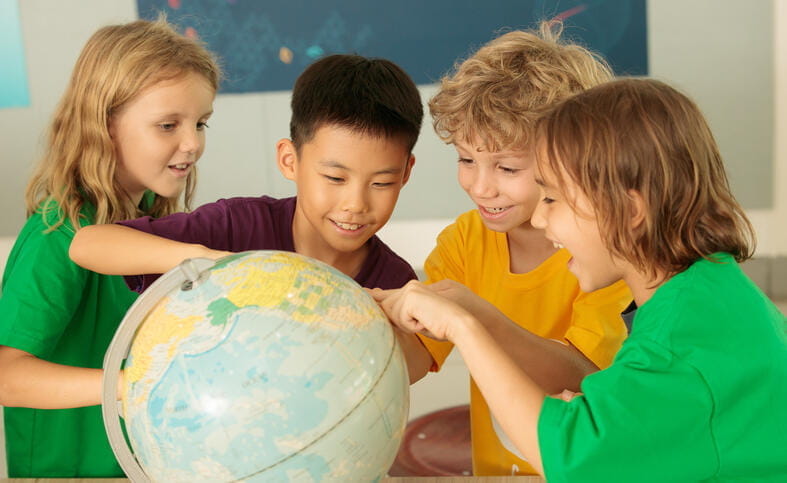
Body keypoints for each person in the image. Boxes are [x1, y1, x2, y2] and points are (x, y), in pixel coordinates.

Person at [374, 78, 787, 481]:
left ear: (629, 210)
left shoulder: (677, 346)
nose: (539, 217)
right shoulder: (703, 293)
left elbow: (568, 455)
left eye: (553, 198)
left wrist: (464, 327)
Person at [69, 53, 433, 382]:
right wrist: (214, 262)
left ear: (405, 173)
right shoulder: (236, 226)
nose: (355, 203)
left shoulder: (395, 282)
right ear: (290, 160)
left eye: (382, 182)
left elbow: (412, 372)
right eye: (335, 178)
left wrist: (385, 324)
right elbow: (89, 244)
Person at [0, 18, 221, 477]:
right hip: (66, 473)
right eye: (168, 125)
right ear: (104, 124)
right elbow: (7, 377)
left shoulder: (157, 230)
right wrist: (127, 386)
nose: (193, 143)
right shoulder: (54, 234)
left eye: (200, 123)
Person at [412, 23, 632, 475]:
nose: (480, 186)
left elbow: (587, 376)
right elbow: (416, 353)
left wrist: (473, 320)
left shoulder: (609, 250)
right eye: (466, 159)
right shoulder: (464, 240)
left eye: (507, 167)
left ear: (568, 157)